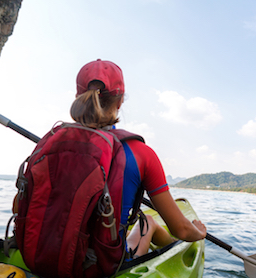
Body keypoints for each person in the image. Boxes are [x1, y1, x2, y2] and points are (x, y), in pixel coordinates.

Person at [71, 59, 207, 258]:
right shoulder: (140, 153)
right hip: (100, 266)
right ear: (120, 101)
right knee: (148, 222)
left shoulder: (51, 142)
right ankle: (170, 247)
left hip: (45, 255)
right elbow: (182, 230)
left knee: (148, 222)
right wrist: (199, 233)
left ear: (78, 98)